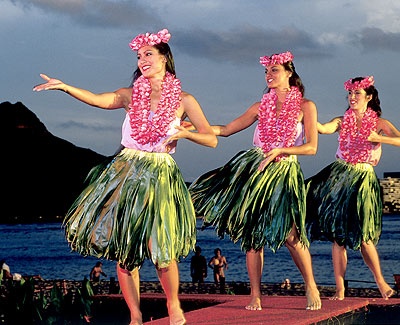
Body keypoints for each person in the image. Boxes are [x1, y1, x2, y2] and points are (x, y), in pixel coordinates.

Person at [33, 28, 217, 325]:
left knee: (163, 247)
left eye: (148, 54)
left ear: (164, 58)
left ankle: (173, 305)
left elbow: (211, 139)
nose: (142, 60)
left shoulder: (184, 99)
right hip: (127, 172)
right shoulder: (130, 95)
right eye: (138, 56)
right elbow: (97, 99)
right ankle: (134, 315)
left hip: (160, 175)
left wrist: (185, 133)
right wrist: (66, 87)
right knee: (124, 249)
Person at [189, 51, 321, 311]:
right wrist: (195, 128)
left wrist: (283, 150)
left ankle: (311, 285)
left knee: (292, 236)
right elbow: (226, 130)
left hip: (284, 172)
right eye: (266, 71)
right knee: (252, 239)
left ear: (289, 73)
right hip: (255, 170)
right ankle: (255, 295)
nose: (268, 75)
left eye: (274, 70)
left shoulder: (306, 106)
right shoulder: (260, 106)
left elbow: (312, 147)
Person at [306, 76, 400, 301]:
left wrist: (379, 138)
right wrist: (308, 118)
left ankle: (381, 282)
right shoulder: (341, 120)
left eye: (357, 93)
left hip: (364, 180)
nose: (352, 97)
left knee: (365, 236)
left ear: (368, 97)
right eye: (350, 94)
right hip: (340, 178)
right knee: (339, 238)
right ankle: (340, 289)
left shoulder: (380, 123)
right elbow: (324, 128)